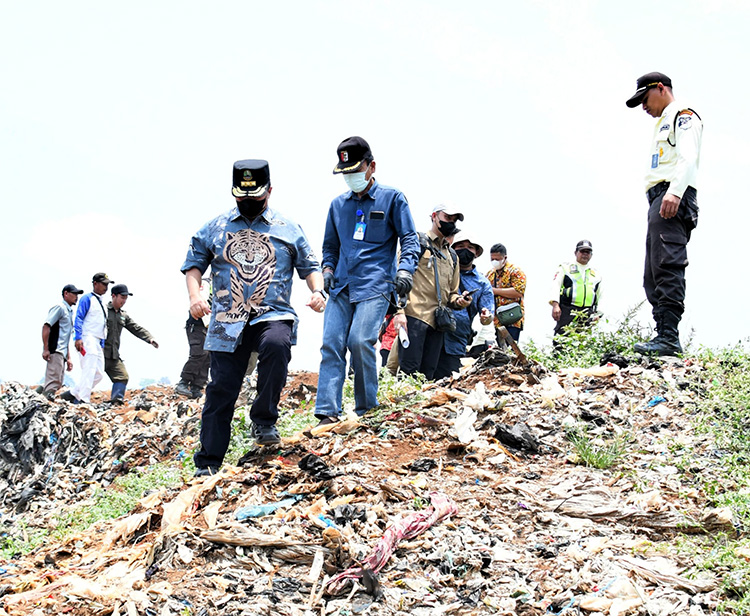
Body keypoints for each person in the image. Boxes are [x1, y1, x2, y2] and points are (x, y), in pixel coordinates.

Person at [183, 159, 324, 476]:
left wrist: (318, 291)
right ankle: (208, 462)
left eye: (255, 196)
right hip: (226, 319)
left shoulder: (288, 228)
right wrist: (194, 297)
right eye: (241, 197)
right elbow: (194, 266)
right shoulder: (215, 228)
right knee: (221, 389)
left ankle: (263, 420)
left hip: (272, 312)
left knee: (276, 344)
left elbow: (310, 266)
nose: (248, 203)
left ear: (270, 191)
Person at [314, 137, 419, 427]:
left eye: (355, 170)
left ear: (371, 166)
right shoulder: (337, 206)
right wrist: (327, 269)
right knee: (331, 343)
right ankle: (327, 412)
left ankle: (365, 409)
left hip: (376, 282)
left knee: (360, 340)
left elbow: (409, 238)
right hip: (341, 285)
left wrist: (406, 271)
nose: (351, 177)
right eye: (345, 172)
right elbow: (330, 246)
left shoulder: (392, 198)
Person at [626, 72, 703, 356]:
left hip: (672, 196)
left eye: (644, 99)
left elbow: (688, 156)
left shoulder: (683, 116)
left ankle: (669, 337)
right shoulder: (662, 122)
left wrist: (675, 192)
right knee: (654, 271)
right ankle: (663, 335)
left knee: (668, 265)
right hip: (659, 199)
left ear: (660, 88)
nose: (643, 107)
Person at [392, 206, 471, 380]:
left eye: (454, 220)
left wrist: (461, 301)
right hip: (415, 317)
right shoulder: (417, 242)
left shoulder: (452, 256)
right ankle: (405, 407)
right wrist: (399, 312)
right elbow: (398, 279)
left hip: (438, 323)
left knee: (429, 375)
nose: (451, 223)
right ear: (434, 217)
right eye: (447, 217)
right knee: (409, 373)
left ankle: (420, 407)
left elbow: (452, 293)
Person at [434, 233, 494, 380]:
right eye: (460, 246)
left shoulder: (482, 283)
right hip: (432, 332)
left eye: (470, 247)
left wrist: (486, 317)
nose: (465, 250)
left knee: (450, 379)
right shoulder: (439, 271)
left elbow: (487, 315)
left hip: (456, 339)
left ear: (477, 253)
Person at [104, 284, 159, 405]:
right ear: (113, 296)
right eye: (122, 297)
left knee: (122, 376)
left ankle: (116, 401)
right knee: (90, 378)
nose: (124, 301)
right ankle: (72, 398)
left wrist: (149, 338)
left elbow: (136, 328)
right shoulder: (103, 311)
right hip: (99, 352)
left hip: (113, 353)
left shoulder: (123, 315)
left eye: (125, 298)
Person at [67, 273, 114, 404]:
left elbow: (102, 324)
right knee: (89, 368)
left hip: (98, 340)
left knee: (98, 373)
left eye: (107, 284)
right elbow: (79, 318)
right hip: (88, 337)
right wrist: (78, 337)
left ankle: (73, 393)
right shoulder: (87, 299)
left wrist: (103, 343)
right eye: (103, 284)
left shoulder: (102, 302)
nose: (106, 287)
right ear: (95, 284)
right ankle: (83, 399)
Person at [550, 240, 602, 343]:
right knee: (562, 340)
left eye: (588, 252)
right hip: (568, 310)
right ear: (576, 253)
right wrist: (555, 305)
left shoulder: (595, 273)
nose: (585, 254)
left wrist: (598, 314)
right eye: (582, 251)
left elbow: (601, 294)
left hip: (587, 313)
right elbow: (555, 286)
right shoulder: (565, 268)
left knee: (584, 342)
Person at [41, 284, 83, 400]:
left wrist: (68, 357)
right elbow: (46, 326)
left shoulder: (69, 312)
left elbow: (65, 337)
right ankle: (41, 403)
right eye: (74, 294)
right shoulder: (59, 308)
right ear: (66, 294)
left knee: (58, 381)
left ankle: (38, 396)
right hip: (55, 350)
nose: (76, 297)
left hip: (62, 352)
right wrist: (46, 348)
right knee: (53, 382)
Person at [175, 277, 211, 399]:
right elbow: (201, 300)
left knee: (208, 357)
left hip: (210, 327)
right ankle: (184, 382)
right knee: (200, 353)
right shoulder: (205, 284)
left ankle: (197, 387)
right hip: (197, 324)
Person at [486, 243, 526, 343]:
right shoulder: (490, 274)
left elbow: (519, 292)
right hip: (497, 320)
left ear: (505, 258)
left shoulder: (515, 272)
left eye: (497, 259)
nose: (495, 262)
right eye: (492, 259)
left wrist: (495, 291)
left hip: (513, 319)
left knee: (511, 349)